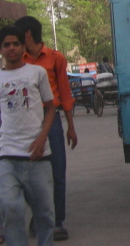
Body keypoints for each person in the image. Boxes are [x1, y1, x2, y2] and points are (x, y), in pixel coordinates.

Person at [14, 16, 77, 241]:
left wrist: (71, 126)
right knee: (28, 173)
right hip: (27, 122)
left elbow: (65, 92)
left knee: (57, 171)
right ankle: (40, 216)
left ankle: (57, 222)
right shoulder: (17, 61)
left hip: (52, 120)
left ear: (28, 34)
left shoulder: (55, 58)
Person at [0, 25, 56, 246]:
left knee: (44, 214)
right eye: (6, 44)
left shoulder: (37, 73)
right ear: (1, 49)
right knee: (11, 208)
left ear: (23, 46)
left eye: (16, 43)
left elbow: (51, 107)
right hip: (7, 155)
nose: (11, 48)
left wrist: (42, 137)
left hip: (37, 154)